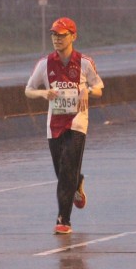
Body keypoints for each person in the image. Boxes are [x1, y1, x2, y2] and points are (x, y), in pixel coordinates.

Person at [25, 17, 103, 235]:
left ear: (73, 36)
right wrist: (44, 93)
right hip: (54, 124)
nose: (57, 39)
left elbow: (99, 88)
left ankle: (63, 220)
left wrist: (87, 90)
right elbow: (28, 90)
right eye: (54, 35)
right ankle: (77, 182)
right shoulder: (45, 64)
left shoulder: (84, 62)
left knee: (68, 166)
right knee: (62, 171)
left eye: (61, 35)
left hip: (77, 122)